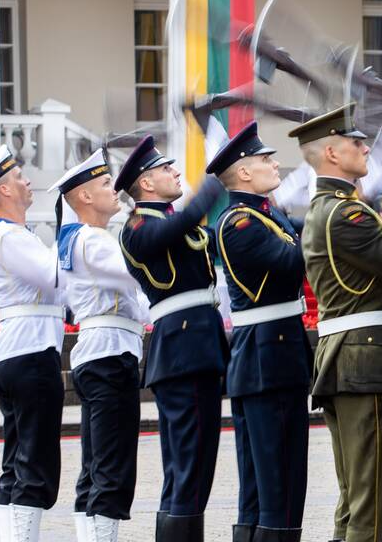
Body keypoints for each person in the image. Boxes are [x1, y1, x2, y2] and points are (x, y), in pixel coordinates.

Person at [295, 104, 382, 542]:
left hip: (345, 358)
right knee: (372, 505)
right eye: (356, 142)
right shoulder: (349, 214)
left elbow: (376, 289)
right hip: (365, 363)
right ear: (332, 153)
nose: (365, 147)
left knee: (355, 500)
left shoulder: (326, 210)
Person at [116, 136, 229, 541]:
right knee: (187, 470)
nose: (176, 172)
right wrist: (211, 187)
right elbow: (177, 227)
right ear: (145, 183)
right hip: (182, 352)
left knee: (195, 470)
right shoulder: (138, 228)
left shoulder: (167, 220)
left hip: (197, 348)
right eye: (167, 169)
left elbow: (198, 232)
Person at [208, 122, 311, 542]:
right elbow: (295, 261)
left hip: (269, 356)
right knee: (278, 484)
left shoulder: (261, 215)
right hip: (270, 357)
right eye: (265, 158)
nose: (274, 164)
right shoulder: (241, 224)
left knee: (263, 485)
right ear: (244, 172)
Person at [52, 149, 149, 542]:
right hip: (110, 354)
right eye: (106, 184)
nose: (115, 190)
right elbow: (136, 273)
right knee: (111, 469)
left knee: (96, 465)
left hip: (101, 353)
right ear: (86, 198)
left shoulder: (83, 239)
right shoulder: (93, 241)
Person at [0, 146, 64, 542]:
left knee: (17, 461)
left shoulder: (11, 235)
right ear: (5, 191)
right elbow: (56, 277)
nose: (28, 183)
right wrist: (75, 227)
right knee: (33, 464)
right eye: (20, 178)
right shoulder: (10, 236)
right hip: (30, 354)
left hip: (19, 352)